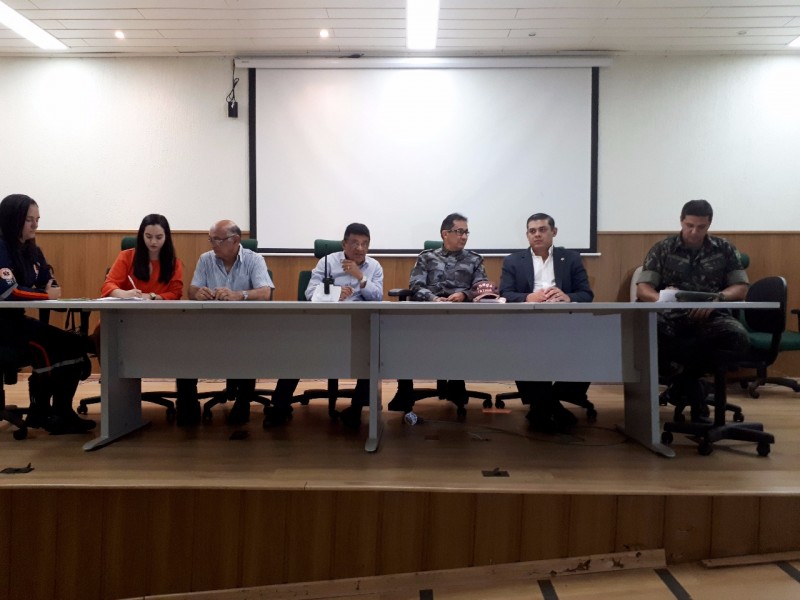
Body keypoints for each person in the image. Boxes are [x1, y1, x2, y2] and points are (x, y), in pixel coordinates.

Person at [636, 199, 749, 422]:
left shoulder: (724, 248)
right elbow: (643, 289)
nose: (694, 232)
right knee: (648, 333)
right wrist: (662, 298)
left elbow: (741, 287)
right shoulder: (663, 248)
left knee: (737, 337)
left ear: (709, 225)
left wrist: (717, 299)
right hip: (670, 317)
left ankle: (686, 382)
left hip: (710, 316)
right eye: (689, 225)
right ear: (681, 221)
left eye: (701, 227)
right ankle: (692, 385)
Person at [265, 223, 384, 430]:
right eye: (355, 243)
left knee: (371, 351)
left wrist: (360, 276)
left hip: (359, 324)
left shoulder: (374, 267)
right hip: (325, 322)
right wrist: (336, 294)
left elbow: (377, 297)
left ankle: (356, 409)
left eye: (365, 244)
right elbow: (310, 293)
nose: (360, 249)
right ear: (344, 243)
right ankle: (279, 405)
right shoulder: (327, 262)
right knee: (297, 351)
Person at [0, 193, 96, 434]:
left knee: (73, 344)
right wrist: (45, 295)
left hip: (17, 322)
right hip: (3, 327)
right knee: (48, 345)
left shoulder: (33, 250)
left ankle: (62, 412)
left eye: (38, 219)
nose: (35, 225)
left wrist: (50, 285)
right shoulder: (1, 246)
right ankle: (41, 411)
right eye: (29, 220)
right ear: (13, 220)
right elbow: (8, 292)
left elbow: (46, 279)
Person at [499, 213, 594, 433]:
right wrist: (527, 297)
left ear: (554, 232)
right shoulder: (513, 261)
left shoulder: (570, 258)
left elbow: (586, 294)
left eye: (542, 229)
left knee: (593, 341)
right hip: (526, 321)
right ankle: (548, 404)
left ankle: (545, 402)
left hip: (564, 320)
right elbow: (504, 293)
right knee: (522, 345)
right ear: (527, 235)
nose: (537, 234)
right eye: (532, 231)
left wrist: (568, 297)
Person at [387, 212, 489, 414]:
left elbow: (481, 287)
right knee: (400, 337)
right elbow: (416, 285)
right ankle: (404, 391)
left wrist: (463, 294)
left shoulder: (474, 259)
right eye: (459, 232)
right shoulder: (427, 257)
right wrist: (433, 299)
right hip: (427, 315)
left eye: (466, 232)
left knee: (458, 339)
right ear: (445, 234)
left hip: (460, 318)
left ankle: (457, 384)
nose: (464, 236)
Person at [176, 220, 274, 426]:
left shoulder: (254, 259)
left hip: (245, 328)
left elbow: (266, 292)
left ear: (235, 240)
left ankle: (243, 401)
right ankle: (188, 403)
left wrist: (240, 295)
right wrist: (198, 292)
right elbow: (191, 290)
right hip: (209, 327)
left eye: (217, 240)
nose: (212, 244)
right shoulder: (206, 260)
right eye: (211, 239)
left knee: (248, 345)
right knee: (183, 344)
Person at [101, 213, 183, 301]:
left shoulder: (174, 263)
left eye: (159, 237)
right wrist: (124, 294)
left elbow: (176, 293)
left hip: (160, 312)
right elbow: (107, 286)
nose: (153, 242)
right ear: (142, 235)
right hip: (128, 311)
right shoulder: (126, 256)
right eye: (148, 236)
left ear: (166, 237)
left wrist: (151, 296)